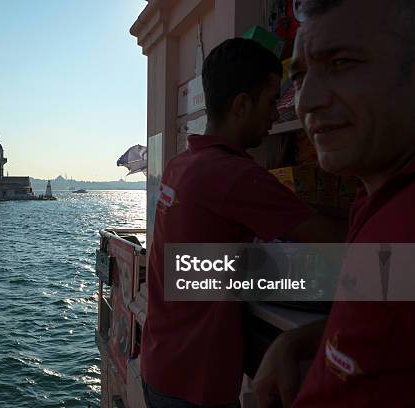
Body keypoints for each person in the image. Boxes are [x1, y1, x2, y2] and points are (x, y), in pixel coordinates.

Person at [140, 38, 345, 408]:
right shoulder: (235, 176)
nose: (274, 116)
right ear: (241, 105)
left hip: (158, 366)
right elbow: (336, 240)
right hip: (195, 385)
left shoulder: (180, 164)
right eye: (270, 103)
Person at [253, 0, 415, 406]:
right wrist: (298, 340)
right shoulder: (375, 201)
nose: (305, 102)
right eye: (301, 76)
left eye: (342, 62)